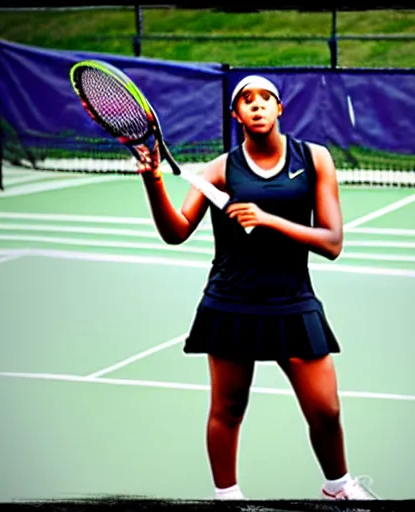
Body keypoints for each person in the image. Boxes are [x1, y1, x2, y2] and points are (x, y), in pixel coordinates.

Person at [136, 75, 375, 501]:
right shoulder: (220, 170)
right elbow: (175, 232)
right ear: (236, 114)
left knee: (326, 409)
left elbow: (333, 242)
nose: (258, 105)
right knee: (228, 410)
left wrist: (269, 220)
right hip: (231, 302)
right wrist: (152, 180)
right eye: (247, 100)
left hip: (293, 300)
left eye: (267, 98)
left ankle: (338, 488)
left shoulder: (314, 158)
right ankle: (227, 497)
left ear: (280, 109)